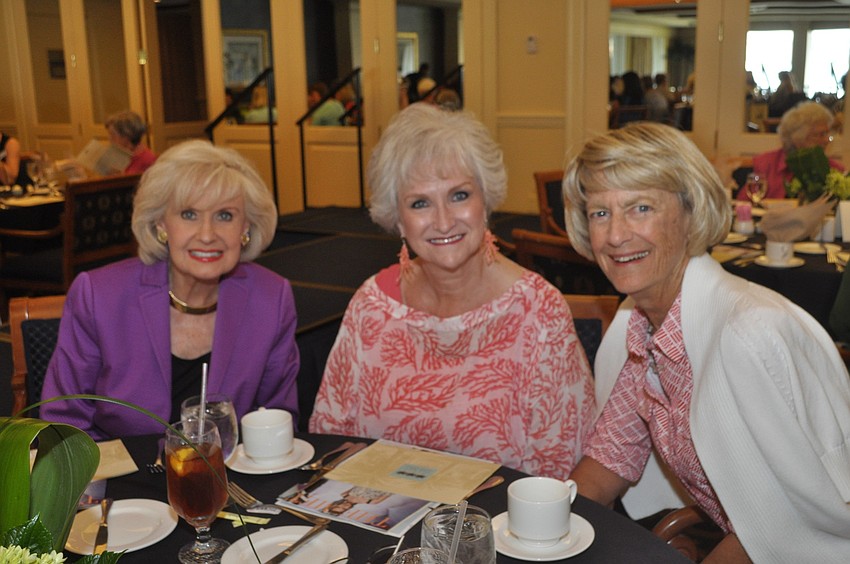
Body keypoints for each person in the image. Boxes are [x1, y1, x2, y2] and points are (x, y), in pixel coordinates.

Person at [563, 121, 850, 562]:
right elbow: (610, 458)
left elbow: (782, 525)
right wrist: (541, 529)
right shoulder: (640, 324)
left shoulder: (747, 335)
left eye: (641, 208)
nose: (615, 235)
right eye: (600, 213)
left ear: (691, 212)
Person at [309, 103, 596, 479]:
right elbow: (331, 440)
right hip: (379, 510)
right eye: (420, 203)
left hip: (498, 515)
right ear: (398, 219)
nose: (443, 221)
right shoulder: (371, 306)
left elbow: (559, 466)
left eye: (459, 195)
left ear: (485, 201)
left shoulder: (538, 312)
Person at [40, 139, 300, 440]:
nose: (207, 235)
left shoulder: (271, 299)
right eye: (189, 214)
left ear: (245, 228)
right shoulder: (99, 296)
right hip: (118, 468)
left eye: (225, 215)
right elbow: (64, 424)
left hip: (228, 469)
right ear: (161, 224)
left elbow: (278, 423)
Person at [740, 101, 844, 200]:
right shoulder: (766, 164)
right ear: (798, 138)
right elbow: (743, 204)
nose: (826, 140)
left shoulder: (835, 171)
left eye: (827, 134)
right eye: (820, 135)